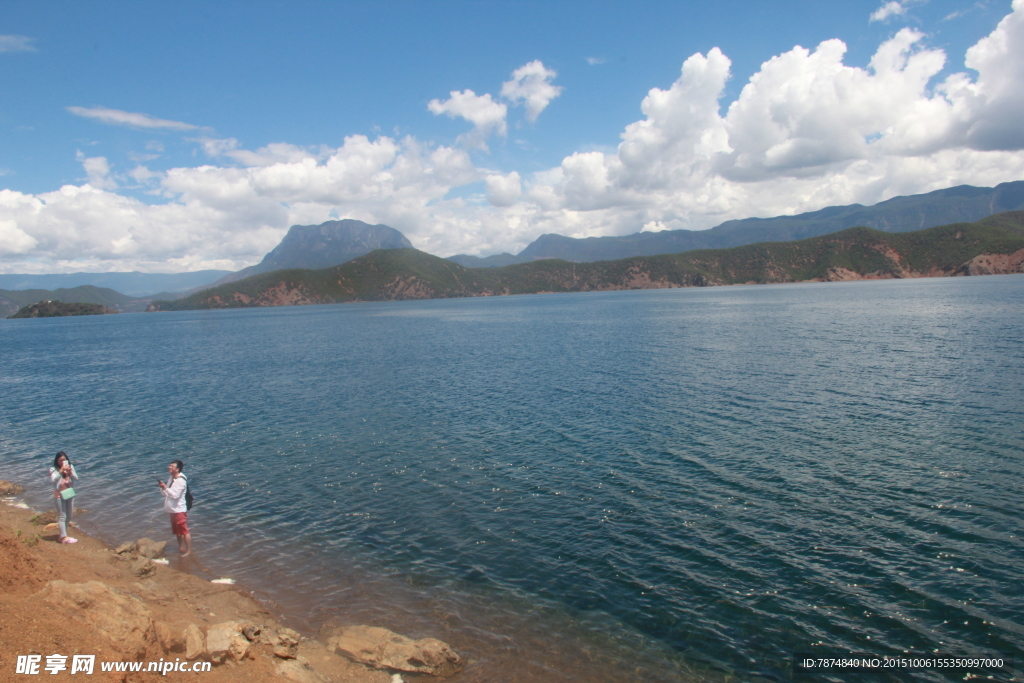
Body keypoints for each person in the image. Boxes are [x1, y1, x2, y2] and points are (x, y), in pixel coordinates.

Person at [158, 459, 191, 557]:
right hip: (172, 509)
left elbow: (175, 495)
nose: (169, 467)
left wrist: (166, 488)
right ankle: (181, 547)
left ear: (177, 469)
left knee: (184, 530)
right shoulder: (171, 478)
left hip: (179, 509)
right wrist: (163, 488)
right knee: (177, 531)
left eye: (172, 466)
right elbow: (165, 494)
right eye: (170, 466)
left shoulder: (181, 481)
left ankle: (188, 551)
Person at [49, 451, 78, 544]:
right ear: (57, 461)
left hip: (69, 493)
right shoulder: (53, 469)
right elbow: (53, 480)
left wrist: (70, 472)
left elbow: (76, 478)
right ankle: (64, 538)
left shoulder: (70, 467)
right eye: (60, 460)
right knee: (62, 516)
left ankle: (63, 535)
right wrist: (61, 471)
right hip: (59, 495)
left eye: (64, 460)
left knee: (69, 516)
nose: (62, 462)